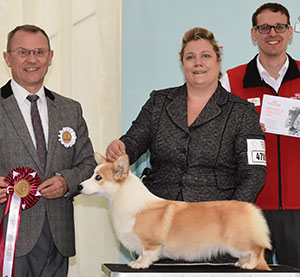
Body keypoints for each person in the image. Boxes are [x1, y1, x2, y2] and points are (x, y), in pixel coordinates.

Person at [107, 27, 266, 233]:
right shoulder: (158, 102)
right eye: (190, 57)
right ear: (183, 63)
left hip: (215, 226)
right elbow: (132, 144)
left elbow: (254, 174)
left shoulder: (243, 112)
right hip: (158, 222)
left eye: (206, 56)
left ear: (218, 62)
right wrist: (119, 149)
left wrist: (231, 217)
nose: (198, 63)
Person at [0, 25, 96, 276]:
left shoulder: (70, 109)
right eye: (22, 52)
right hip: (6, 240)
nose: (32, 59)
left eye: (39, 52)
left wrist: (67, 182)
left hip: (57, 238)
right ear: (7, 57)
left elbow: (88, 164)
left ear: (50, 57)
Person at [221, 2, 300, 268]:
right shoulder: (231, 80)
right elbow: (216, 137)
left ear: (290, 32)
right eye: (264, 27)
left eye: (279, 27)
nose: (272, 33)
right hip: (250, 204)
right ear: (253, 34)